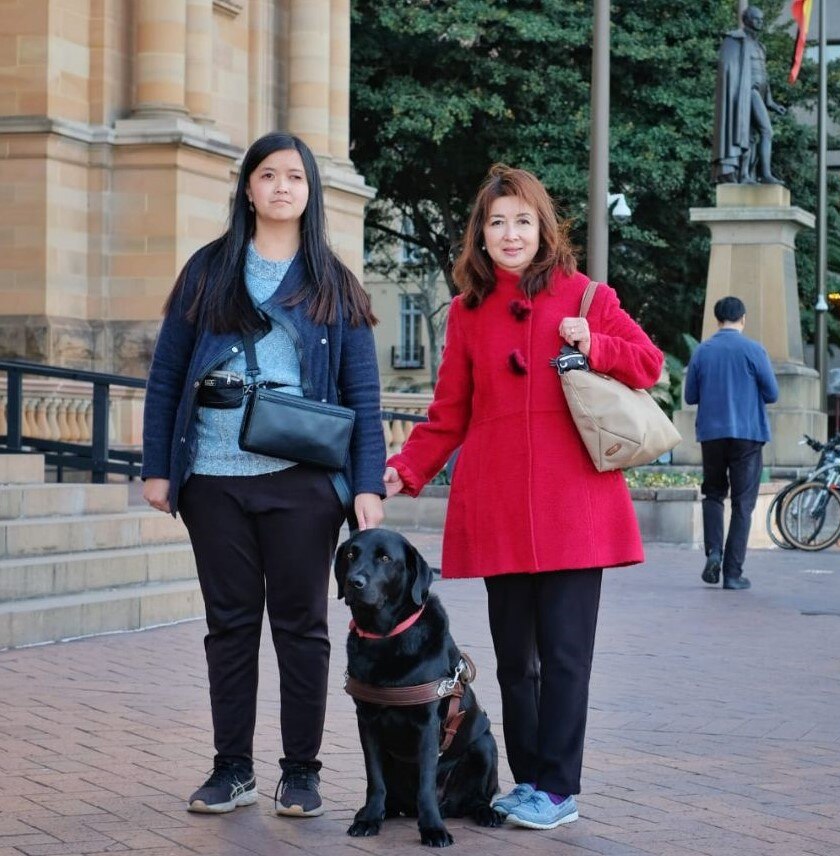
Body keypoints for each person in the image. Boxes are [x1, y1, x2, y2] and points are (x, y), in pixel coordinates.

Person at [383, 165, 663, 831]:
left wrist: (592, 342)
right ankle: (530, 779)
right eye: (496, 222)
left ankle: (558, 788)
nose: (509, 234)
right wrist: (404, 470)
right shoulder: (467, 314)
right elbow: (447, 413)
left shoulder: (583, 295)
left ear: (544, 229)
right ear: (480, 235)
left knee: (565, 658)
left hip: (576, 508)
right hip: (500, 508)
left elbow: (647, 363)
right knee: (515, 663)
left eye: (522, 221)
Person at [141, 131, 386, 818]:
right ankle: (231, 769)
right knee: (229, 625)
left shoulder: (333, 282)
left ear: (310, 194)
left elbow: (362, 397)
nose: (282, 187)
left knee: (302, 627)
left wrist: (366, 484)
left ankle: (300, 772)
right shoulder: (208, 270)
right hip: (213, 479)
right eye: (268, 175)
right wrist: (158, 467)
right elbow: (167, 378)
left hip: (303, 481)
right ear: (246, 187)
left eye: (295, 178)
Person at [684, 296, 778, 590]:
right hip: (748, 434)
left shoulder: (703, 351)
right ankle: (733, 574)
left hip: (711, 434)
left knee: (712, 494)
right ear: (743, 318)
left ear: (717, 319)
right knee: (742, 504)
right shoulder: (753, 349)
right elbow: (772, 393)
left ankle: (713, 551)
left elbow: (690, 397)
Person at [712, 5, 786, 185]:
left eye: (762, 19)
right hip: (745, 93)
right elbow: (727, 69)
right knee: (766, 131)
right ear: (746, 20)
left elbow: (763, 76)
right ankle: (764, 174)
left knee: (750, 135)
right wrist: (739, 93)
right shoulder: (735, 40)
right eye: (756, 19)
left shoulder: (760, 46)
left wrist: (771, 102)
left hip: (758, 94)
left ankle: (747, 175)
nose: (760, 22)